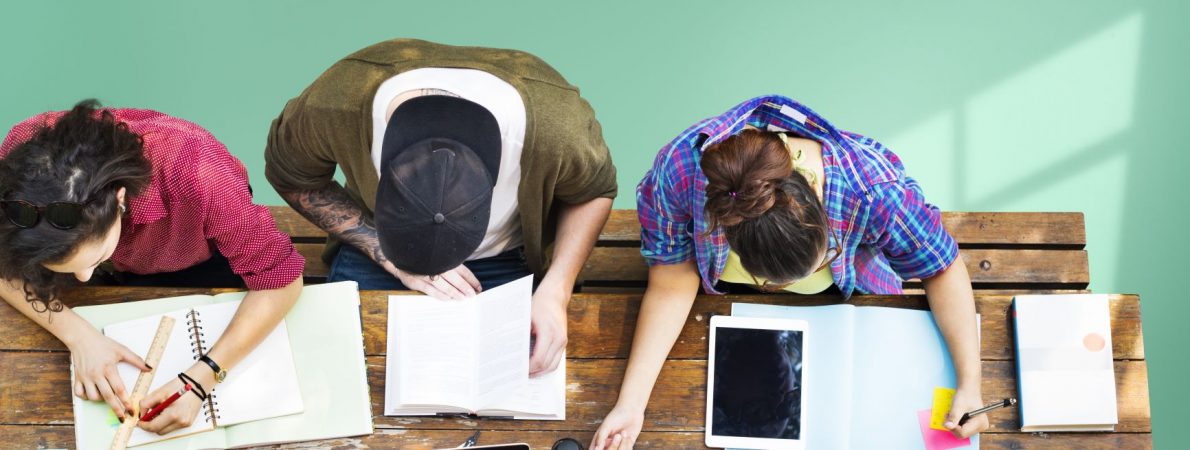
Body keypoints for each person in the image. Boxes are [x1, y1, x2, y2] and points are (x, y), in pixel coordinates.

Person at [591, 95, 986, 449]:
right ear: (726, 229)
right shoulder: (679, 172)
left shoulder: (872, 187)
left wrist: (970, 383)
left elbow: (942, 268)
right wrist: (630, 405)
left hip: (856, 302)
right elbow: (671, 284)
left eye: (822, 256)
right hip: (727, 315)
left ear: (813, 188)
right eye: (767, 279)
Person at [264, 38, 617, 377]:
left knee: (516, 379)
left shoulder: (555, 133)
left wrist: (556, 290)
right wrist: (385, 252)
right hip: (378, 246)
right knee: (333, 375)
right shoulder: (336, 105)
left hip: (505, 256)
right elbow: (291, 175)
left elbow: (593, 191)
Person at [0, 101, 304, 435]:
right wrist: (78, 335)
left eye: (93, 261)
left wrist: (202, 378)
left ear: (119, 199)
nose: (84, 279)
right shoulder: (22, 158)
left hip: (195, 255)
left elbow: (281, 280)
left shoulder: (201, 175)